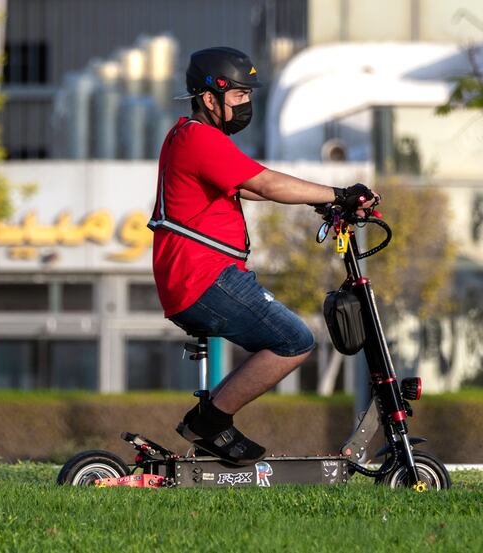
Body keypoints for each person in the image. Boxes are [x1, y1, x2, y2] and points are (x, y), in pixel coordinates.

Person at [148, 47, 378, 466]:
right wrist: (339, 193)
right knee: (293, 340)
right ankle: (210, 423)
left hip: (200, 276)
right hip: (204, 277)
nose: (246, 104)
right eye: (238, 96)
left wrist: (322, 204)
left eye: (249, 95)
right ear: (209, 98)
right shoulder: (199, 138)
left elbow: (250, 187)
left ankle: (209, 421)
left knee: (287, 337)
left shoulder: (194, 139)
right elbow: (267, 183)